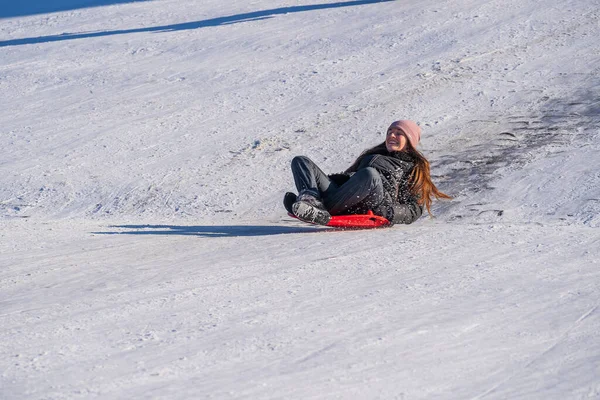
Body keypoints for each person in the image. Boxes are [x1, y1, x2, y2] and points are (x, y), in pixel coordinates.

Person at [284, 120, 451, 226]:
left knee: (369, 175)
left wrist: (386, 212)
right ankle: (310, 200)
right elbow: (351, 178)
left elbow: (414, 209)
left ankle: (319, 210)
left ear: (410, 141)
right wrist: (327, 182)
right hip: (348, 196)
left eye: (399, 133)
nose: (392, 135)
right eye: (390, 132)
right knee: (301, 161)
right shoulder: (372, 155)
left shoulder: (414, 167)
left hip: (373, 202)